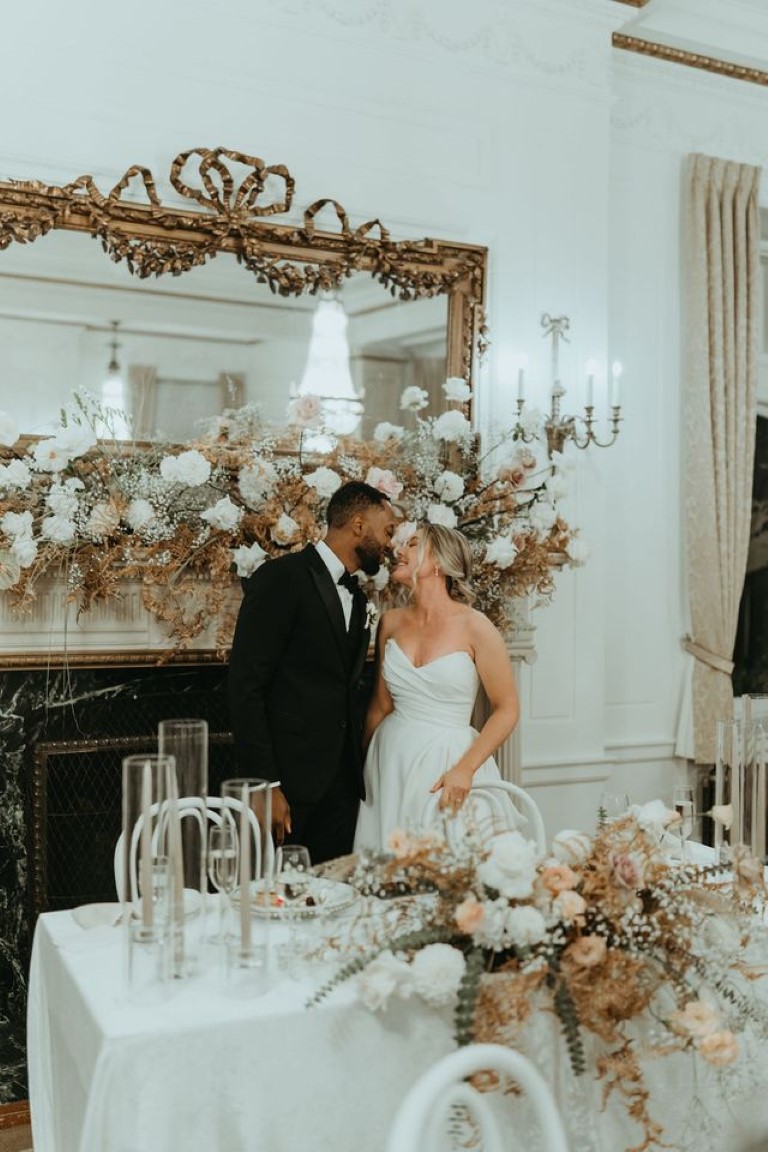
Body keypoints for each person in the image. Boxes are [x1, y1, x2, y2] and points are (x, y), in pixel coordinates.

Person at [228, 481, 396, 864]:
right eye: (386, 531)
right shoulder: (280, 578)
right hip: (286, 786)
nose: (389, 544)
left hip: (341, 788)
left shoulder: (357, 595)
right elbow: (245, 687)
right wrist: (266, 785)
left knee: (330, 901)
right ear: (357, 525)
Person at [354, 522, 520, 851]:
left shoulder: (477, 627)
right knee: (389, 871)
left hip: (449, 761)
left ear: (438, 563)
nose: (398, 551)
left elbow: (507, 708)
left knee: (450, 869)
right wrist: (360, 764)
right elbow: (381, 704)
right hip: (391, 760)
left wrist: (465, 769)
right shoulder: (390, 622)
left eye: (412, 545)